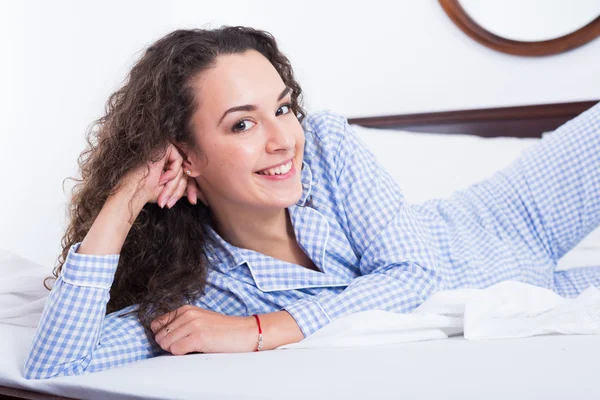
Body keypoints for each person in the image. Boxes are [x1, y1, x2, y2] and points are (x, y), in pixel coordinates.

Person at [24, 26, 600, 380]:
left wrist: (259, 330)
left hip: (500, 220)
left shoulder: (325, 143)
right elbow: (57, 366)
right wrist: (125, 198)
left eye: (282, 107)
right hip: (533, 298)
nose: (282, 139)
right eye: (243, 123)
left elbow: (413, 273)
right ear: (186, 157)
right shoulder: (198, 292)